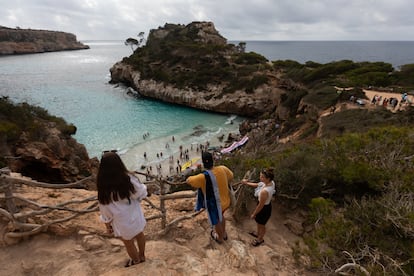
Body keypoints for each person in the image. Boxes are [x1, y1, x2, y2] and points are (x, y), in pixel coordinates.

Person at [97, 151, 148, 267]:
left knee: (128, 243)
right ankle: (142, 256)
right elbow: (141, 192)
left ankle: (136, 261)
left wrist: (107, 224)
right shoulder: (128, 178)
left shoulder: (103, 187)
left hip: (121, 222)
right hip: (135, 215)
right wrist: (138, 197)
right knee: (140, 235)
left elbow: (104, 209)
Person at [186, 151, 234, 244]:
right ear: (213, 160)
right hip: (226, 201)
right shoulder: (223, 168)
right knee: (221, 216)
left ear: (203, 164)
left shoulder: (203, 177)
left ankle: (219, 238)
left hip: (216, 205)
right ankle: (223, 234)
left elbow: (190, 181)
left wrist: (188, 179)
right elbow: (231, 176)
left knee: (216, 221)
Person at [242, 168, 276, 246]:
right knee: (259, 223)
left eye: (262, 177)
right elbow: (258, 184)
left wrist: (254, 214)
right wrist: (246, 183)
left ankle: (260, 239)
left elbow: (261, 205)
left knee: (261, 224)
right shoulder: (271, 182)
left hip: (264, 209)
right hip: (265, 206)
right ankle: (258, 234)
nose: (260, 178)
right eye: (260, 176)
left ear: (268, 178)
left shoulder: (265, 191)